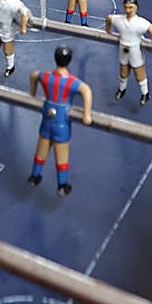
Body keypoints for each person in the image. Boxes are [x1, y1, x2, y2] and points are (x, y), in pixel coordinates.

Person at [29, 45, 93, 196]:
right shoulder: (71, 82)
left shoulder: (47, 77)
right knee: (61, 153)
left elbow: (34, 75)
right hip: (62, 122)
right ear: (69, 61)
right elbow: (86, 90)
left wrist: (33, 93)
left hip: (47, 119)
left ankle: (34, 176)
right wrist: (86, 114)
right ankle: (62, 185)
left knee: (42, 148)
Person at [105, 0, 152, 106]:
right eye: (126, 7)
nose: (128, 10)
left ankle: (145, 94)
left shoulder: (140, 22)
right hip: (123, 49)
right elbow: (109, 18)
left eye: (131, 7)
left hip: (135, 50)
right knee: (123, 72)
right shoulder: (119, 19)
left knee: (139, 74)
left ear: (136, 7)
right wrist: (108, 30)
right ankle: (122, 89)